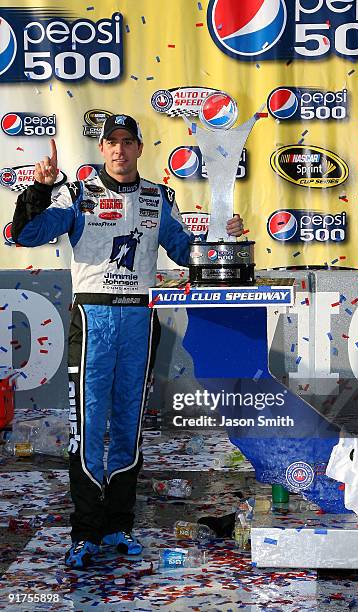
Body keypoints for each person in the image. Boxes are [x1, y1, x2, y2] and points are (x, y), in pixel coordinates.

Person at [11, 114, 244, 569]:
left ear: (140, 148)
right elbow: (26, 233)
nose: (119, 150)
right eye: (111, 142)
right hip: (92, 317)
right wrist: (38, 190)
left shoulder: (159, 197)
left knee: (128, 428)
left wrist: (220, 236)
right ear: (102, 150)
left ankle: (119, 525)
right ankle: (86, 531)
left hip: (139, 316)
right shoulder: (78, 193)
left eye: (128, 142)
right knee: (88, 427)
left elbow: (184, 251)